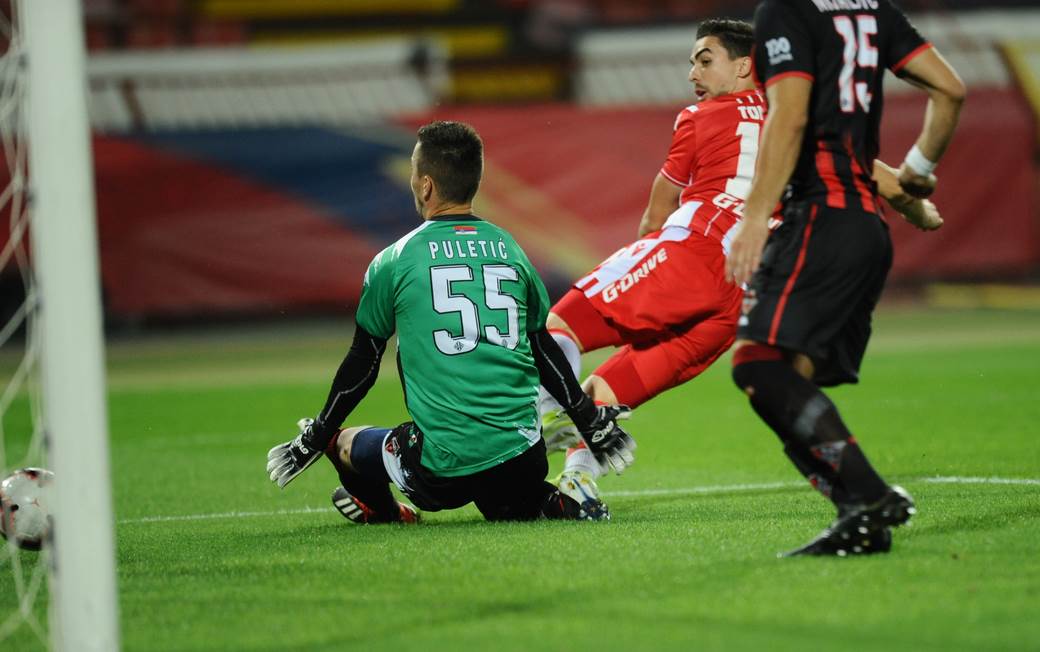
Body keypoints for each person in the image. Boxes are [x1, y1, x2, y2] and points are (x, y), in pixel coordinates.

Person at [538, 18, 943, 510]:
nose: (693, 73)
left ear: (745, 65)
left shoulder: (700, 116)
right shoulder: (799, 120)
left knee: (561, 324)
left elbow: (655, 213)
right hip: (743, 293)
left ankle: (533, 421)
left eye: (705, 60)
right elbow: (892, 183)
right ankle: (578, 480)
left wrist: (646, 263)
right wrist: (920, 210)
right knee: (610, 389)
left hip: (692, 253)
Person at [266, 121, 635, 523]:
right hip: (522, 459)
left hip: (440, 470)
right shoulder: (511, 249)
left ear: (426, 186)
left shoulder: (395, 259)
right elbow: (543, 348)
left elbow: (363, 363)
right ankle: (553, 503)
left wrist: (317, 436)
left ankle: (387, 512)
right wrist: (588, 420)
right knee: (507, 496)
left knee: (345, 445)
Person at [725, 0, 965, 556]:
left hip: (819, 220)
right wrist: (917, 176)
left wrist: (756, 213)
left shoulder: (785, 11)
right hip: (862, 226)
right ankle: (860, 518)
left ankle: (870, 497)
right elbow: (951, 90)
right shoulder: (874, 10)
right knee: (781, 376)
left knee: (759, 365)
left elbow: (792, 117)